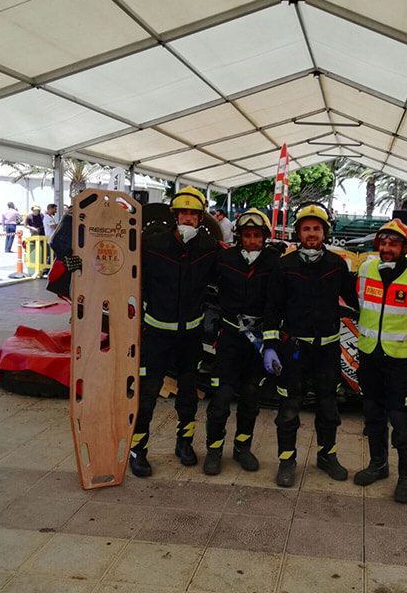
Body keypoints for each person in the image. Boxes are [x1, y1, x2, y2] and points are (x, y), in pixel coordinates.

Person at [262, 202, 358, 488]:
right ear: (298, 233)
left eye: (317, 228)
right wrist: (269, 344)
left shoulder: (337, 265)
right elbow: (272, 308)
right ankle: (287, 461)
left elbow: (354, 301)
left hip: (327, 350)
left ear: (324, 232)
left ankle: (327, 456)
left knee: (328, 407)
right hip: (295, 349)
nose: (312, 234)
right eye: (306, 229)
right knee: (290, 407)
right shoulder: (284, 266)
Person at [129, 187, 219, 477]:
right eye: (183, 212)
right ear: (174, 215)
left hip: (190, 337)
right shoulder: (151, 244)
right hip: (156, 334)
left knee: (188, 395)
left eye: (194, 214)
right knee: (147, 394)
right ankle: (138, 449)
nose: (188, 218)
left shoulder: (209, 247)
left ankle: (184, 443)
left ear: (201, 218)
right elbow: (118, 263)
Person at [352, 219, 407, 504]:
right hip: (370, 355)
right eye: (383, 243)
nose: (387, 248)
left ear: (405, 248)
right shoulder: (365, 269)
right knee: (373, 414)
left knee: (400, 420)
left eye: (393, 244)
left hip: (402, 361)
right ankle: (378, 464)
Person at [203, 208, 279, 476]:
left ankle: (242, 448)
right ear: (239, 237)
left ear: (265, 237)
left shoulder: (274, 262)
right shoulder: (224, 259)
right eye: (247, 236)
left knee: (250, 399)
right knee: (221, 398)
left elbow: (277, 303)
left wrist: (272, 343)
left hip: (256, 344)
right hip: (230, 340)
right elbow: (202, 282)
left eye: (257, 236)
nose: (252, 241)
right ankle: (214, 450)